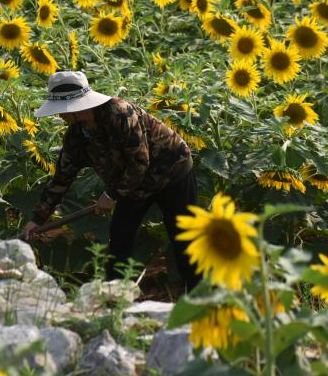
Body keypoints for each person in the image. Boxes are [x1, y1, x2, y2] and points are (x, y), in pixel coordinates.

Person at [22, 70, 202, 291]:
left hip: (172, 170)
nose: (59, 116)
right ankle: (114, 295)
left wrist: (110, 195)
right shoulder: (77, 135)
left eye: (61, 111)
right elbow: (62, 177)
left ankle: (198, 296)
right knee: (120, 236)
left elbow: (139, 161)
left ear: (78, 107)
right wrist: (38, 219)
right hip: (134, 183)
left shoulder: (119, 114)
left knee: (184, 236)